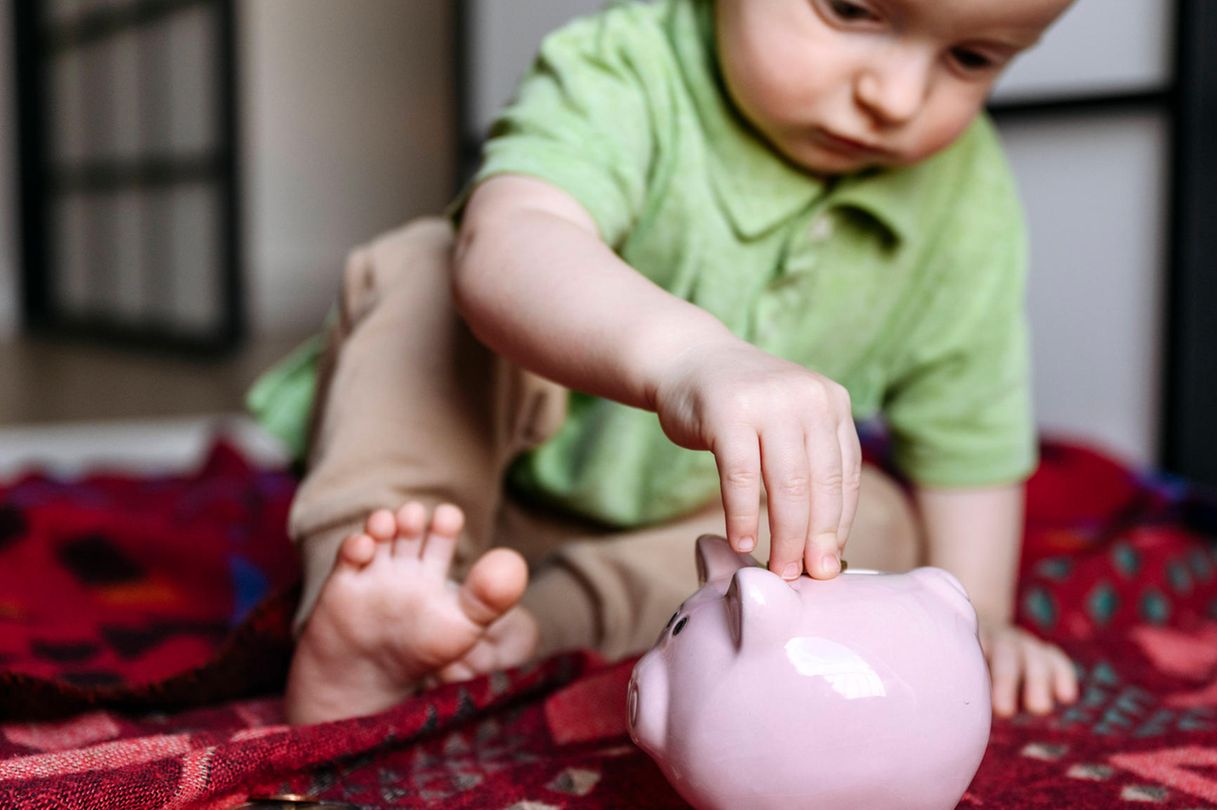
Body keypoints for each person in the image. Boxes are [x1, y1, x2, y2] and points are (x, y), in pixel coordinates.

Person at [250, 0, 1080, 726]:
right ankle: (371, 602)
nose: (893, 97)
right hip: (472, 488)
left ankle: (530, 626)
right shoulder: (627, 66)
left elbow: (966, 433)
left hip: (683, 537)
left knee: (885, 521)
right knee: (431, 269)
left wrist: (983, 616)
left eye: (970, 59)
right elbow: (511, 241)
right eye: (849, 9)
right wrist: (692, 357)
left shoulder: (969, 198)